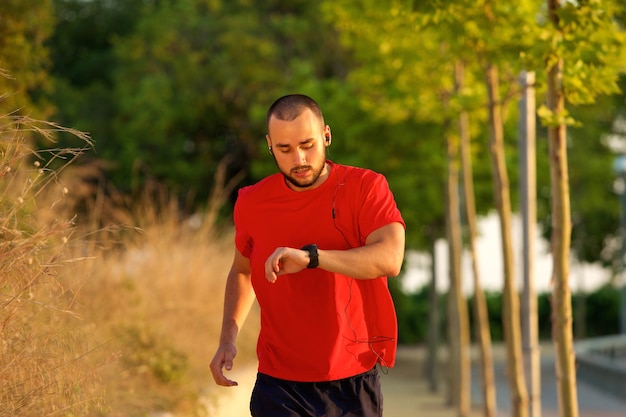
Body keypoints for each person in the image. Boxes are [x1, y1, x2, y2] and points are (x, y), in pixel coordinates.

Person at [209, 94, 405, 417]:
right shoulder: (252, 202)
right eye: (284, 149)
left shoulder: (366, 187)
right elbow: (242, 271)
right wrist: (228, 338)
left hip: (351, 380)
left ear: (326, 135)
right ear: (270, 145)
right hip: (279, 383)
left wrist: (313, 258)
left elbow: (390, 258)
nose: (299, 158)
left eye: (307, 145)